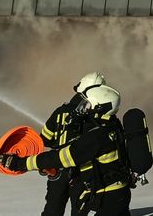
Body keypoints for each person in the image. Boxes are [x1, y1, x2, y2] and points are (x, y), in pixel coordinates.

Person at [0, 84, 133, 216]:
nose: (82, 108)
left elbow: (61, 157)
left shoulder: (96, 136)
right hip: (120, 194)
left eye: (87, 105)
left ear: (98, 107)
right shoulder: (113, 126)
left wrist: (20, 163)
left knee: (54, 209)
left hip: (104, 197)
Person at [38, 73, 106, 216]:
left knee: (52, 208)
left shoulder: (60, 111)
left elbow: (45, 138)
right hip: (83, 171)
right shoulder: (95, 116)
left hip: (57, 169)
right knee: (80, 209)